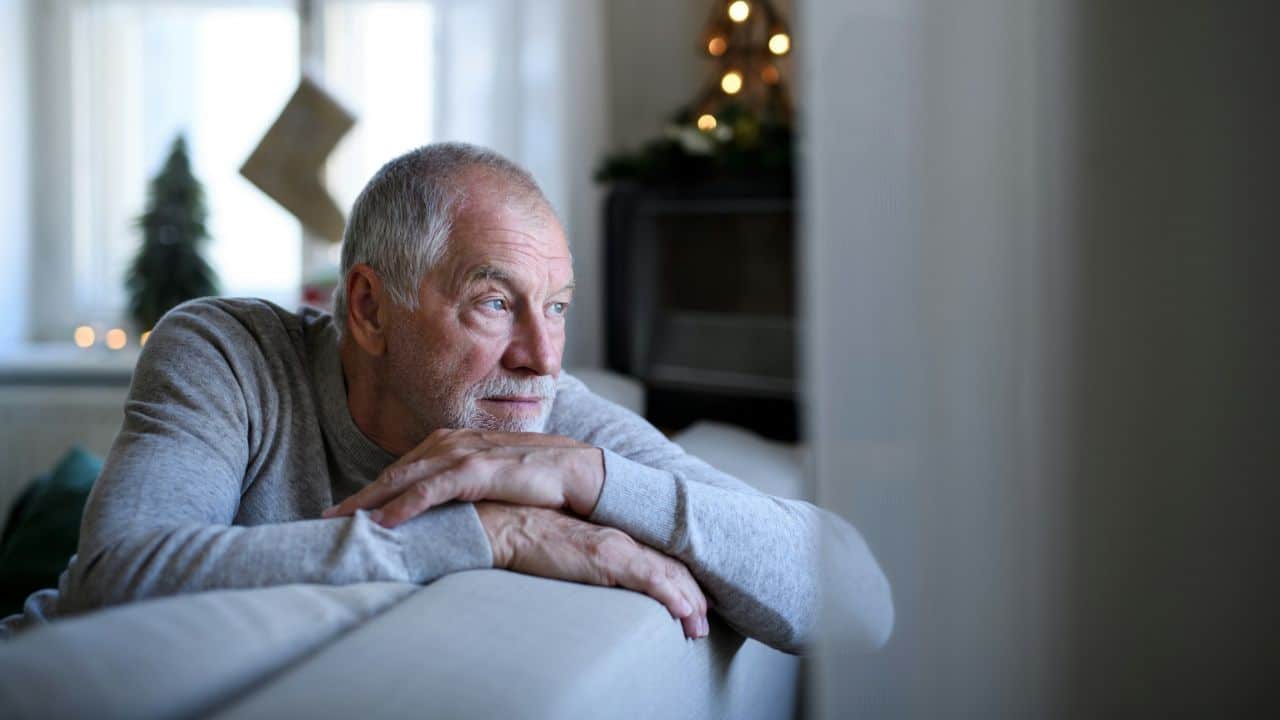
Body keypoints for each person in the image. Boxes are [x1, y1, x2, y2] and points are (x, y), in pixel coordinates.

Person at [1, 143, 892, 652]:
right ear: (368, 308)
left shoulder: (549, 423)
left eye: (559, 308)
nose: (541, 356)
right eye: (496, 302)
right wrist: (489, 534)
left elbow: (858, 601)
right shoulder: (226, 350)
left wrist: (592, 477)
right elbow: (115, 579)